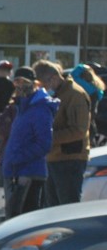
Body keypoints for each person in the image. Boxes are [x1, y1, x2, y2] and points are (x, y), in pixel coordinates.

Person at [0, 66, 56, 218]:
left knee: (24, 220)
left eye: (24, 82)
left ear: (35, 84)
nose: (20, 86)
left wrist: (18, 158)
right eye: (17, 82)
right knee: (13, 219)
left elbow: (44, 144)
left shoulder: (40, 109)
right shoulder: (21, 108)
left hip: (29, 174)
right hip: (14, 172)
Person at [33, 60, 91, 207]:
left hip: (69, 159)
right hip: (53, 157)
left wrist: (48, 137)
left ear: (53, 78)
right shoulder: (56, 95)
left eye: (43, 85)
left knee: (67, 207)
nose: (41, 89)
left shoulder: (75, 95)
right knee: (52, 208)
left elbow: (79, 130)